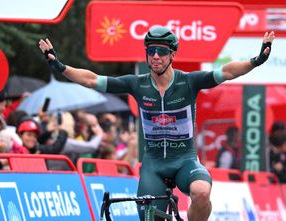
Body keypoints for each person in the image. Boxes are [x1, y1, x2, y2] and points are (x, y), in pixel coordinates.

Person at [39, 26, 275, 221]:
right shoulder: (136, 84)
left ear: (173, 54)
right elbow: (92, 80)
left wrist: (256, 60)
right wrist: (60, 67)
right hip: (153, 165)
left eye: (162, 52)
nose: (155, 57)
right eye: (151, 51)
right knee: (152, 218)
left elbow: (227, 72)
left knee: (201, 192)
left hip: (185, 161)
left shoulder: (189, 82)